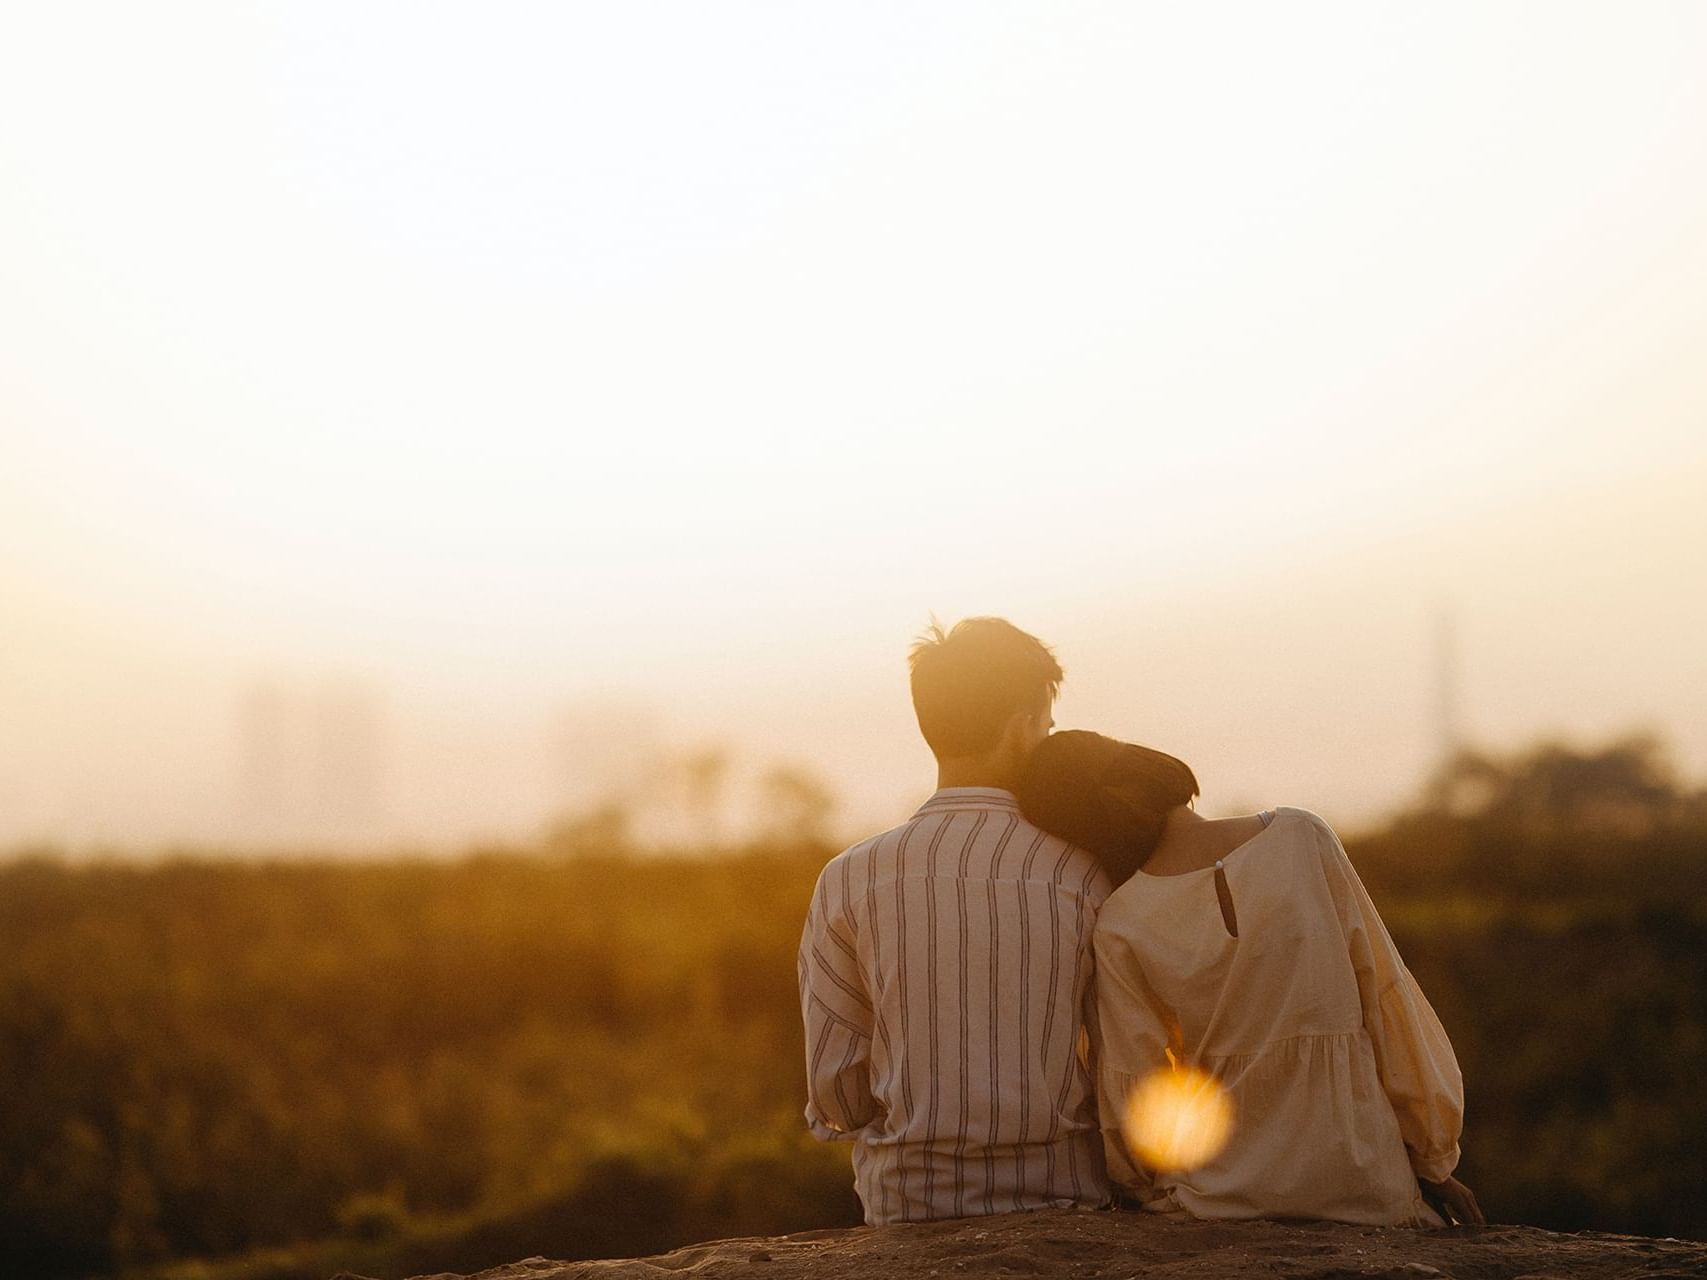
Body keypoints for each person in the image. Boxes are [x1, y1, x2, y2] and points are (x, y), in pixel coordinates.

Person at [1015, 729, 1485, 1229]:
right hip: (1364, 1182)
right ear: (1147, 764)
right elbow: (1387, 999)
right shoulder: (1303, 837)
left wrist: (1142, 1185)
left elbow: (1137, 1088)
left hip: (1218, 1198)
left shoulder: (1120, 922)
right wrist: (1433, 1160)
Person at [797, 618, 1114, 1225]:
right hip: (1065, 1199)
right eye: (1046, 725)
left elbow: (835, 1090)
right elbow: (1121, 1059)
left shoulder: (849, 877)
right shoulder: (1083, 873)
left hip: (910, 1205)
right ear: (1024, 727)